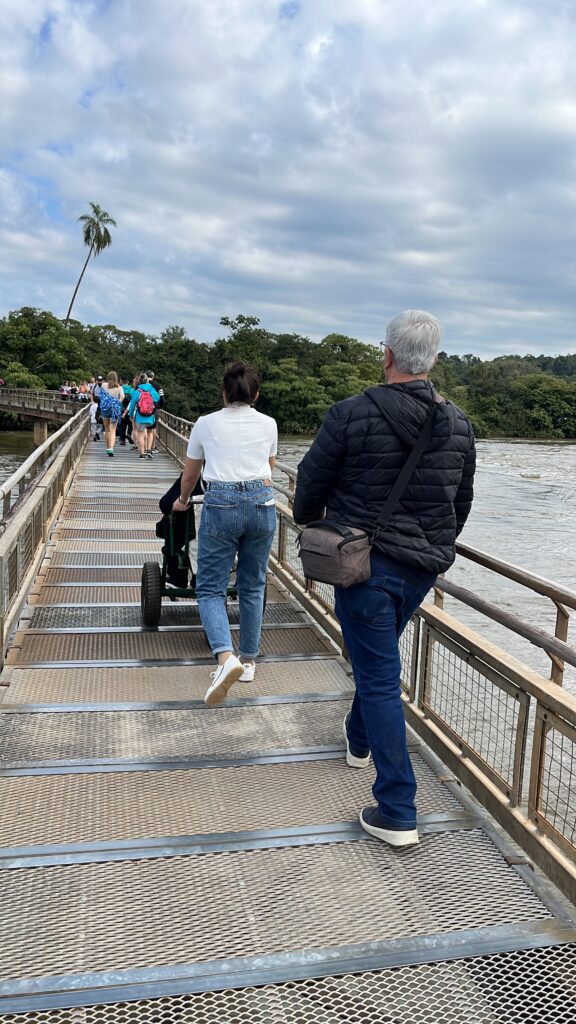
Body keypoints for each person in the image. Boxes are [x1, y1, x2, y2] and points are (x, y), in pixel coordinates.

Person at [293, 310, 476, 849]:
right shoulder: (459, 424)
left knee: (377, 677)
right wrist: (431, 549)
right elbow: (459, 503)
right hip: (421, 569)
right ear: (433, 360)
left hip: (362, 566)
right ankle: (357, 738)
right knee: (379, 664)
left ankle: (397, 809)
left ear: (388, 355)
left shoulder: (350, 414)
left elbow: (309, 489)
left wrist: (315, 521)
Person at [172, 361, 278, 706]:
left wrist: (183, 501)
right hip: (263, 502)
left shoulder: (206, 423)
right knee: (253, 584)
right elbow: (270, 466)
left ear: (223, 392)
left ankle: (224, 657)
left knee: (210, 588)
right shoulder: (269, 424)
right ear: (256, 394)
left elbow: (190, 475)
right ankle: (247, 661)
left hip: (222, 502)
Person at [127, 372, 160, 459]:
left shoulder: (137, 391)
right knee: (150, 432)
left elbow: (132, 405)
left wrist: (130, 415)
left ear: (140, 382)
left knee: (140, 434)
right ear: (147, 381)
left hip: (140, 416)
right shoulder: (151, 390)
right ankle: (149, 450)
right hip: (150, 416)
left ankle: (142, 454)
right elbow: (158, 398)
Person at [99, 372, 125, 455]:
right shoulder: (119, 388)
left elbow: (101, 396)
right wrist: (117, 402)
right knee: (113, 430)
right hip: (114, 408)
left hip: (105, 408)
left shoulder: (103, 385)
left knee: (107, 429)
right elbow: (122, 397)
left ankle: (108, 447)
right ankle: (111, 448)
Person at [145, 371, 164, 452]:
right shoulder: (158, 386)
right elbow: (162, 398)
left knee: (144, 428)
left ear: (146, 376)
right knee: (153, 428)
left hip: (142, 409)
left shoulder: (141, 385)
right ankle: (152, 447)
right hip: (154, 408)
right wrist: (159, 407)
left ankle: (144, 447)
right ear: (153, 376)